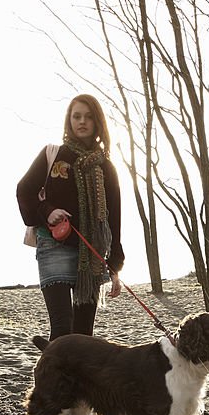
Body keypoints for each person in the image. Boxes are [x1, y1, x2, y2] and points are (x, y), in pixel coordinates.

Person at [17, 94, 124, 342]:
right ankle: (56, 380)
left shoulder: (106, 168)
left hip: (92, 254)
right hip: (53, 247)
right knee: (63, 329)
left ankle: (78, 382)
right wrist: (47, 212)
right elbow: (24, 191)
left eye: (88, 117)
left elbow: (115, 219)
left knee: (84, 333)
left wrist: (115, 265)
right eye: (77, 116)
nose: (82, 122)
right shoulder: (53, 155)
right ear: (69, 120)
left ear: (97, 122)